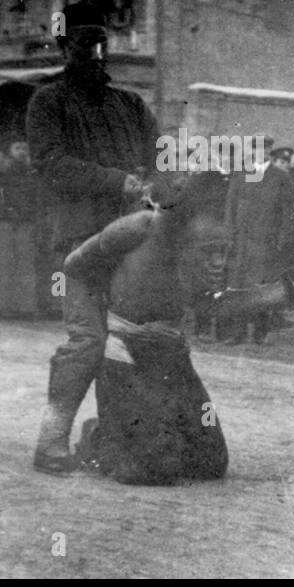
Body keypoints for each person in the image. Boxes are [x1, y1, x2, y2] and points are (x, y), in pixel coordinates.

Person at [27, 2, 158, 474]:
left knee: (132, 341)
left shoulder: (130, 104)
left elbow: (158, 156)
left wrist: (165, 181)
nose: (96, 53)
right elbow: (50, 163)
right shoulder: (49, 101)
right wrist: (116, 181)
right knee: (87, 341)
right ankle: (51, 441)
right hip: (79, 242)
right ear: (65, 47)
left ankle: (117, 438)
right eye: (85, 43)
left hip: (132, 241)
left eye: (102, 43)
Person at [66, 172, 234, 485]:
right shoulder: (139, 228)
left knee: (210, 462)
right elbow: (73, 268)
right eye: (209, 251)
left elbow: (216, 307)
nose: (218, 263)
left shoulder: (199, 242)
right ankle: (102, 435)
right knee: (155, 467)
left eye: (223, 252)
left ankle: (143, 427)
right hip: (123, 356)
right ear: (183, 239)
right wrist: (100, 332)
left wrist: (293, 289)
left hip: (172, 361)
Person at [222, 137, 294, 345]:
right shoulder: (242, 175)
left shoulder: (280, 177)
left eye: (265, 148)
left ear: (270, 151)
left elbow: (286, 211)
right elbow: (231, 206)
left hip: (266, 241)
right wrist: (229, 233)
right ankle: (237, 332)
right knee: (238, 286)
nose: (260, 152)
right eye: (256, 148)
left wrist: (283, 238)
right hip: (242, 241)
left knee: (262, 288)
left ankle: (259, 333)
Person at [0, 139, 40, 318]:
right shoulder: (2, 172)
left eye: (25, 148)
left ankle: (23, 308)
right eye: (17, 148)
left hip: (26, 222)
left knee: (25, 264)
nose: (21, 151)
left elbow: (38, 199)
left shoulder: (33, 173)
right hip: (4, 221)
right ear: (10, 151)